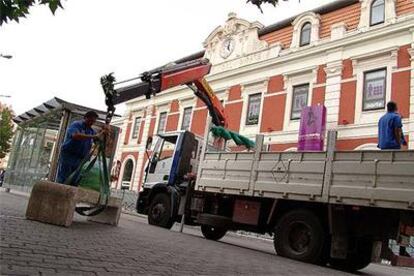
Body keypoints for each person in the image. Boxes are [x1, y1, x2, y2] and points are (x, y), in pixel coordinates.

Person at [56, 111, 107, 186]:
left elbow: (98, 140)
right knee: (64, 178)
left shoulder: (91, 131)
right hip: (68, 155)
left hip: (80, 159)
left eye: (93, 121)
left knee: (74, 180)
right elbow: (75, 135)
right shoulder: (76, 125)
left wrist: (103, 133)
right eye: (90, 120)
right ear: (85, 118)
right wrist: (94, 137)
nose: (91, 123)